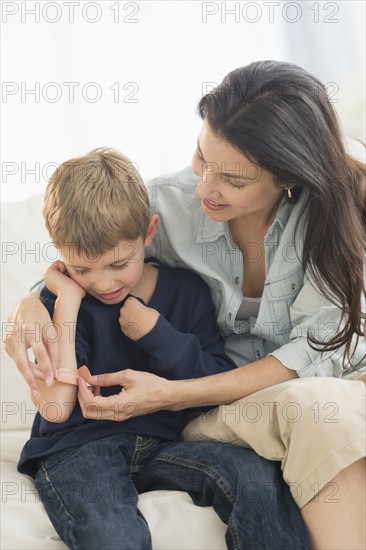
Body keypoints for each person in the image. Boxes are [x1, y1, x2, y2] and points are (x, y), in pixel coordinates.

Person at [6, 60, 365, 549]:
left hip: (291, 386)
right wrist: (33, 302)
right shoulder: (166, 205)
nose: (204, 188)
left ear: (288, 178)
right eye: (202, 157)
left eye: (233, 180)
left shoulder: (331, 218)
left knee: (309, 422)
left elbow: (316, 354)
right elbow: (87, 263)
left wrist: (167, 379)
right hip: (178, 419)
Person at [16, 148, 310, 550]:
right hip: (78, 451)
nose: (102, 284)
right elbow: (55, 409)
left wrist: (158, 334)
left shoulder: (186, 292)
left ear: (149, 234)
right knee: (111, 534)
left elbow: (213, 379)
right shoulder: (59, 305)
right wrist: (66, 301)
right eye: (82, 269)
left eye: (120, 263)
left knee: (255, 479)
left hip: (166, 445)